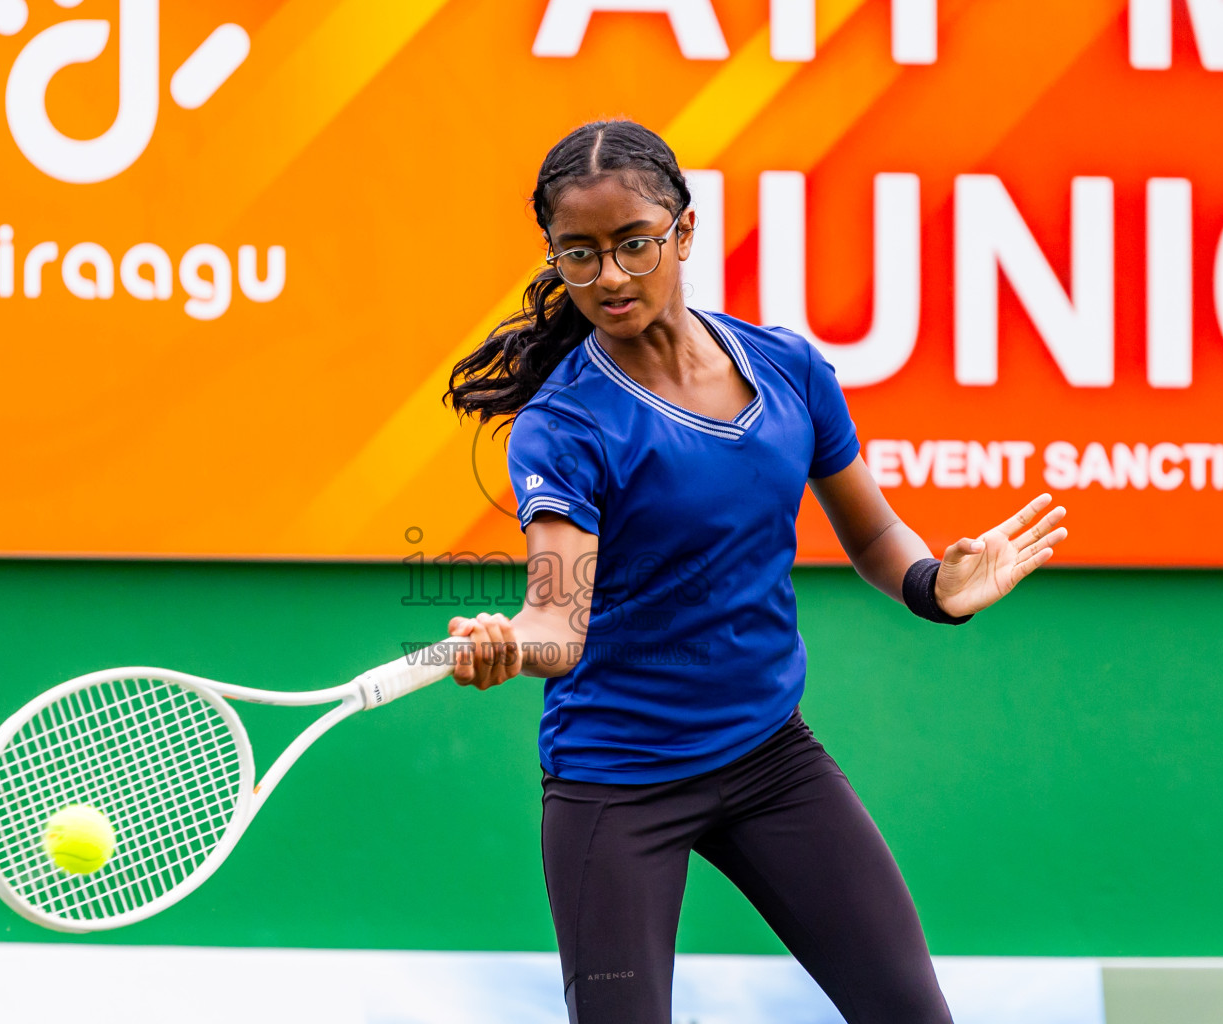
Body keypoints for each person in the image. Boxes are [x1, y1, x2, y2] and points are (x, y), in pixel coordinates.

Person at [442, 119, 1066, 1024]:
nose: (610, 275)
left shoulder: (789, 369)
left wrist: (935, 585)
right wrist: (508, 640)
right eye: (579, 254)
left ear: (685, 233)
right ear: (554, 255)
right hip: (615, 784)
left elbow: (875, 533)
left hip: (772, 758)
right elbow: (557, 622)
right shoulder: (564, 424)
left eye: (634, 244)